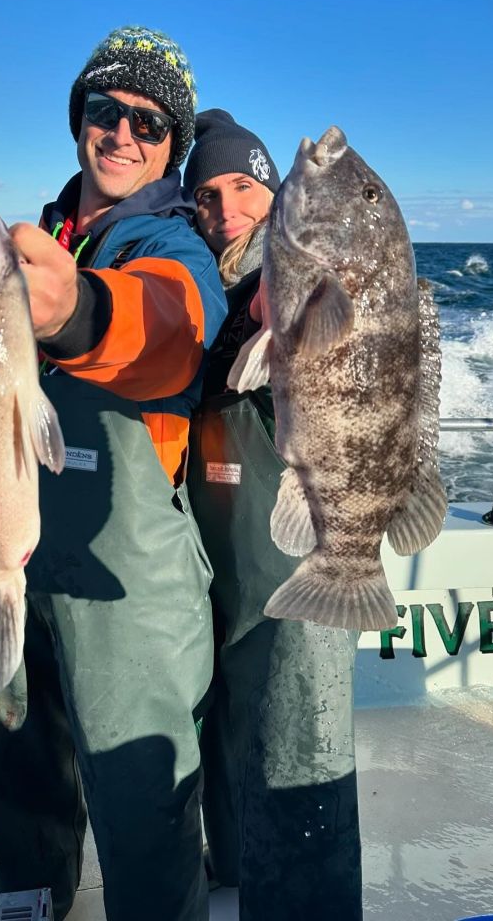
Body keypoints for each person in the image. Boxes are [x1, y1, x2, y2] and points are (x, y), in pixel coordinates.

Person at [0, 27, 227, 921]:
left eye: (150, 124)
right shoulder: (35, 237)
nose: (123, 133)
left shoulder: (173, 246)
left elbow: (173, 327)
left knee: (144, 818)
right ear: (78, 118)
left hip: (132, 594)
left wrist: (76, 311)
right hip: (12, 570)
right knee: (20, 791)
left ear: (173, 145)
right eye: (104, 110)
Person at [183, 110, 363, 920]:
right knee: (228, 745)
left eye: (245, 188)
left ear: (276, 194)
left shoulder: (299, 273)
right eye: (208, 194)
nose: (227, 211)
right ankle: (233, 874)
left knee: (300, 754)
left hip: (300, 570)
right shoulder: (188, 279)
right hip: (216, 571)